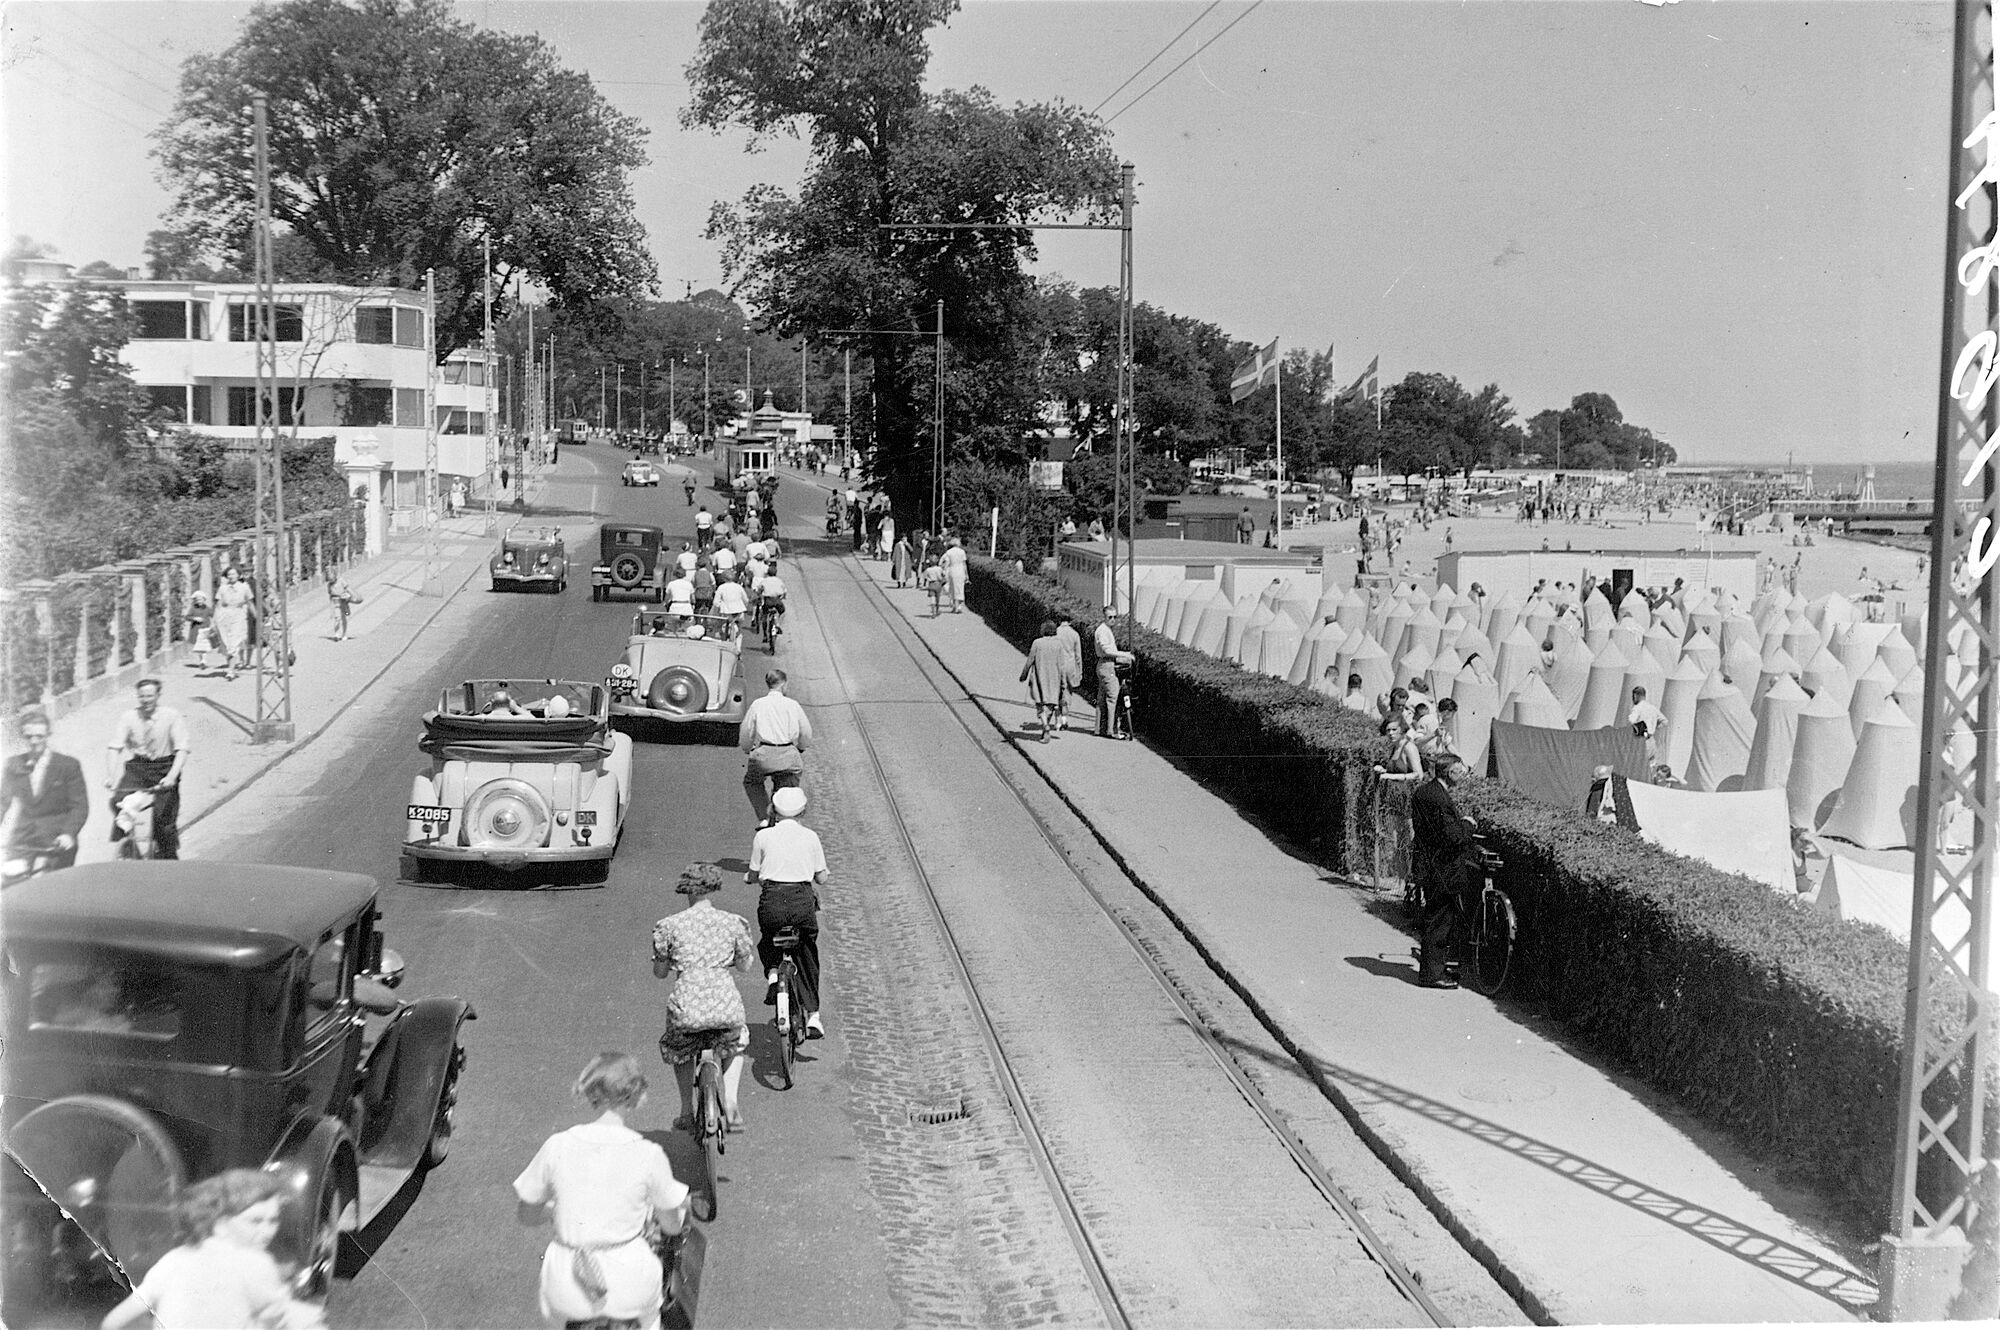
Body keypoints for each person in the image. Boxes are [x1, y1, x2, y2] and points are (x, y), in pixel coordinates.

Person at [513, 1055, 690, 1330]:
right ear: (636, 1095)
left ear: (590, 1092)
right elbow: (672, 1225)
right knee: (651, 1317)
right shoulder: (648, 1153)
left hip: (567, 1285)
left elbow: (526, 1214)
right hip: (629, 1286)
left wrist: (555, 1212)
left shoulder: (557, 1145)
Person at [101, 1168, 325, 1330]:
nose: (267, 1231)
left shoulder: (174, 1259)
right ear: (220, 1224)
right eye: (255, 1221)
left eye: (273, 1220)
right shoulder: (255, 1263)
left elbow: (113, 1322)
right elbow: (278, 1319)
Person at [652, 865, 754, 1132]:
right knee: (736, 1043)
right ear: (714, 887)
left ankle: (686, 1111)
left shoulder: (669, 925)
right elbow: (744, 966)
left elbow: (660, 973)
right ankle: (731, 1103)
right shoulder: (733, 922)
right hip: (724, 1004)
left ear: (686, 889)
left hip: (687, 1007)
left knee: (680, 1050)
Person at [746, 786, 828, 1039]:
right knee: (807, 951)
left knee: (768, 939)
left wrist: (750, 878)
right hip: (801, 901)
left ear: (774, 810)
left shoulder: (763, 836)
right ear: (802, 812)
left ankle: (773, 975)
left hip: (773, 899)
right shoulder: (811, 837)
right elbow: (821, 878)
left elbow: (754, 873)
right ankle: (813, 1016)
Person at [1410, 753, 1481, 988]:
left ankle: (1436, 967)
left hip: (1427, 864)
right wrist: (1468, 824)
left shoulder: (1424, 792)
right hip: (1443, 869)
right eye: (1460, 771)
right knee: (1440, 921)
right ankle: (1432, 975)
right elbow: (1453, 836)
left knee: (1435, 918)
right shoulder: (1440, 799)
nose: (1463, 775)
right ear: (1450, 772)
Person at [106, 679, 188, 860]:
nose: (146, 700)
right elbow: (114, 747)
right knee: (117, 801)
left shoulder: (171, 716)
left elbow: (182, 750)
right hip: (139, 767)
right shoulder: (129, 717)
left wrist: (172, 776)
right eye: (142, 696)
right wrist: (110, 776)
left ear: (158, 695)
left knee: (163, 817)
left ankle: (168, 856)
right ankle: (130, 848)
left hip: (165, 767)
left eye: (150, 696)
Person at [2, 710, 88, 874]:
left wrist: (68, 834)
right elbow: (2, 801)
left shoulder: (67, 765)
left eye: (39, 736)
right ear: (22, 736)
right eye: (29, 737)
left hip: (56, 839)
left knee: (51, 884)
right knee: (12, 880)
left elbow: (79, 806)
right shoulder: (13, 764)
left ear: (48, 735)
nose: (34, 741)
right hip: (23, 838)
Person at [739, 668, 812, 824]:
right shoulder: (792, 705)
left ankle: (764, 817)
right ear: (783, 684)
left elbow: (746, 731)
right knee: (787, 787)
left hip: (764, 754)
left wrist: (747, 748)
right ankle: (783, 818)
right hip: (788, 754)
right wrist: (800, 748)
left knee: (752, 782)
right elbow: (806, 732)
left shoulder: (758, 704)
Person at [1020, 620, 1070, 743]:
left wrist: (1023, 675)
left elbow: (1029, 661)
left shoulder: (1037, 643)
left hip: (1039, 678)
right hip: (1054, 679)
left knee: (1039, 704)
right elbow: (1062, 666)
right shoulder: (1059, 644)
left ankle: (1045, 725)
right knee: (1051, 704)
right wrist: (1063, 682)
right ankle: (1046, 726)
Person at [212, 565, 253, 681]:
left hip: (238, 616)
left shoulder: (244, 587)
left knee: (234, 643)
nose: (231, 576)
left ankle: (231, 670)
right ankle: (231, 667)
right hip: (223, 617)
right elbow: (218, 605)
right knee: (226, 644)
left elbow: (250, 603)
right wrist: (214, 621)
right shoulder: (222, 588)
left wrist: (257, 617)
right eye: (229, 574)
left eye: (233, 574)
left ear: (239, 575)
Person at [1092, 610, 1125, 737]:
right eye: (1110, 617)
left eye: (1115, 617)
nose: (1113, 620)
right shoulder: (1103, 631)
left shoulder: (1106, 630)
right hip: (1107, 665)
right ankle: (1112, 730)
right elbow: (1106, 650)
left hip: (1104, 665)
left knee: (1102, 698)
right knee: (1113, 697)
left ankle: (1099, 729)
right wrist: (1124, 654)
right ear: (1104, 617)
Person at [1053, 611, 1083, 731]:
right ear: (1070, 621)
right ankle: (1065, 718)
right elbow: (1078, 656)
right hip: (1070, 666)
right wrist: (1079, 671)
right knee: (1067, 691)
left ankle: (1057, 720)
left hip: (1057, 665)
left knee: (1057, 691)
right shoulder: (1074, 634)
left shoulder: (1055, 633)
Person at [1628, 684, 1667, 768]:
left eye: (1633, 696)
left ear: (1636, 695)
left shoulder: (1637, 708)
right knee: (1650, 766)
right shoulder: (1653, 708)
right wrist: (1654, 727)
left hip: (1640, 740)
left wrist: (1640, 729)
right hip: (1651, 740)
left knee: (1636, 766)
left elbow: (1631, 720)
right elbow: (1665, 721)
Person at [325, 567, 360, 642]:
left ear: (335, 575)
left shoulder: (341, 581)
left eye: (332, 579)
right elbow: (330, 595)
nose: (331, 581)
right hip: (336, 603)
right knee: (337, 618)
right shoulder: (329, 585)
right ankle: (336, 634)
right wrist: (331, 608)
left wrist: (352, 596)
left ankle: (344, 634)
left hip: (344, 602)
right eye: (330, 580)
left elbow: (348, 589)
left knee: (345, 616)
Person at [185, 591, 214, 672]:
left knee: (204, 646)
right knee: (199, 646)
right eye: (197, 600)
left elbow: (213, 615)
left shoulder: (208, 609)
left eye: (200, 600)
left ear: (204, 600)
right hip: (196, 630)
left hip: (205, 629)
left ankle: (203, 661)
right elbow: (187, 617)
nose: (199, 601)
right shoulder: (193, 609)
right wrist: (194, 618)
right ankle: (202, 660)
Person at [941, 537, 968, 614]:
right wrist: (966, 574)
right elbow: (964, 564)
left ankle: (954, 606)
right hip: (960, 571)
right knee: (960, 588)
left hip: (952, 570)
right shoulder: (962, 552)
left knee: (952, 589)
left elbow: (947, 563)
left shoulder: (949, 552)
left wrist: (944, 571)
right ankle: (959, 606)